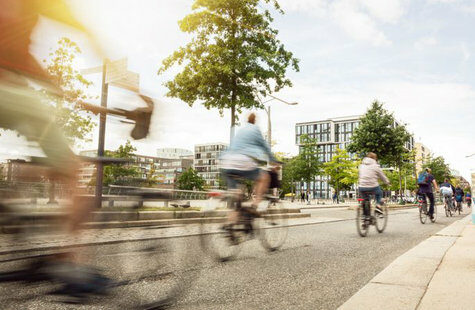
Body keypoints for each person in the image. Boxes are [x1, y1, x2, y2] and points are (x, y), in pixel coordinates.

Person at [220, 113, 277, 221]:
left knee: (236, 195)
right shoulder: (255, 129)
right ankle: (254, 206)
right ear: (254, 121)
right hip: (243, 160)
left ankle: (229, 225)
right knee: (264, 177)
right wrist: (272, 160)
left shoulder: (241, 130)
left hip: (227, 161)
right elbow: (264, 145)